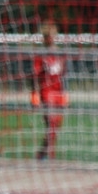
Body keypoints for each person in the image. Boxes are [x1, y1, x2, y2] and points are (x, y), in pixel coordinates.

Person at [32, 21, 67, 160]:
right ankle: (50, 157)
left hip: (58, 93)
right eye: (48, 36)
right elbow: (35, 76)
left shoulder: (59, 54)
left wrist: (65, 93)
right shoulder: (41, 54)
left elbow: (63, 76)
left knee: (56, 126)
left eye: (53, 35)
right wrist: (34, 94)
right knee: (51, 123)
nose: (51, 38)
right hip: (46, 93)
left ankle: (42, 154)